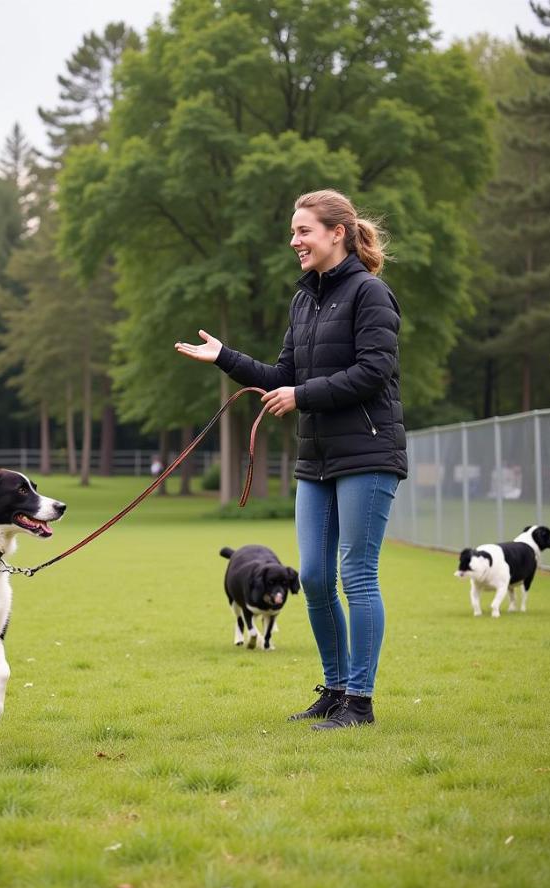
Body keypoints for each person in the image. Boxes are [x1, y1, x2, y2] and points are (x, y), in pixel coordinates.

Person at [175, 188, 407, 729]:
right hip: (317, 459)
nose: (294, 240)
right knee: (318, 580)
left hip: (368, 453)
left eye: (303, 230)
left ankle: (360, 701)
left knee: (356, 576)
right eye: (293, 231)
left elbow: (374, 372)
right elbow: (284, 377)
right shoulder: (304, 300)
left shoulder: (371, 295)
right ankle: (334, 688)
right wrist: (225, 358)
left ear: (337, 234)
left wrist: (303, 396)